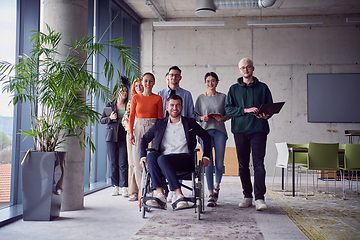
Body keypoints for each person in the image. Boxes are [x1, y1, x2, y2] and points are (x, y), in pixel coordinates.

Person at [140, 94, 211, 210]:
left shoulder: (190, 123)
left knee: (161, 158)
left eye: (178, 105)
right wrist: (142, 157)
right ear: (167, 107)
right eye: (172, 105)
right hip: (163, 159)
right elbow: (144, 139)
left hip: (184, 159)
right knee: (152, 155)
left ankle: (179, 195)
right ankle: (160, 195)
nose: (175, 108)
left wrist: (206, 156)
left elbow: (206, 137)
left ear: (182, 107)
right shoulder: (160, 124)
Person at [225, 58, 273, 211]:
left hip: (259, 130)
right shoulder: (233, 89)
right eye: (243, 68)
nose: (245, 70)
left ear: (253, 68)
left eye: (248, 67)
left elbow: (270, 108)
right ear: (239, 70)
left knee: (259, 165)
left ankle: (260, 198)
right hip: (240, 131)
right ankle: (247, 196)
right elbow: (228, 110)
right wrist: (245, 110)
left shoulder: (263, 87)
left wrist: (266, 115)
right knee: (243, 165)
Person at [157, 66, 195, 203]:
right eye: (171, 75)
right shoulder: (160, 94)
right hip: (166, 132)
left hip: (182, 132)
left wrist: (185, 125)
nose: (174, 77)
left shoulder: (186, 94)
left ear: (180, 78)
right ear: (167, 77)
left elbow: (191, 115)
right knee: (163, 153)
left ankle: (174, 191)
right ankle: (169, 190)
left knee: (178, 150)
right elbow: (158, 115)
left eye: (177, 75)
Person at [194, 72, 229, 207]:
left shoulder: (223, 97)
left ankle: (217, 187)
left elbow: (229, 114)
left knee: (219, 163)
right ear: (205, 83)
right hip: (205, 133)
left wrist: (222, 118)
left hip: (219, 131)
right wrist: (203, 118)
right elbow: (195, 116)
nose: (210, 83)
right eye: (208, 81)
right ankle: (210, 194)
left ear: (217, 82)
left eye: (213, 81)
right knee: (208, 162)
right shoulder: (200, 99)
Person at [128, 73, 163, 193]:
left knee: (152, 160)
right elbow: (132, 115)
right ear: (142, 82)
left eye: (150, 81)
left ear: (154, 83)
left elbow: (160, 118)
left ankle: (152, 190)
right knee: (138, 161)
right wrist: (131, 132)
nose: (148, 83)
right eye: (146, 81)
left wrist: (158, 134)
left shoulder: (158, 98)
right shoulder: (136, 98)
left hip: (153, 128)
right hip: (138, 128)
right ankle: (142, 191)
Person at [100, 85, 129, 196]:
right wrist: (110, 118)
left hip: (123, 136)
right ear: (117, 92)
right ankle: (115, 186)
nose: (124, 93)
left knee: (123, 162)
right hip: (111, 136)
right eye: (122, 91)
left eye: (126, 91)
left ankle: (124, 186)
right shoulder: (110, 105)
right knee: (113, 162)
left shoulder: (128, 105)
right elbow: (102, 120)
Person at [122, 79, 144, 201]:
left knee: (143, 161)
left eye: (140, 85)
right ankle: (133, 191)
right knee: (132, 163)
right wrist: (130, 130)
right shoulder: (131, 101)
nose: (139, 87)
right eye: (136, 86)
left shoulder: (147, 99)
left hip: (145, 132)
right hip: (132, 133)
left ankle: (144, 189)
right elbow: (125, 118)